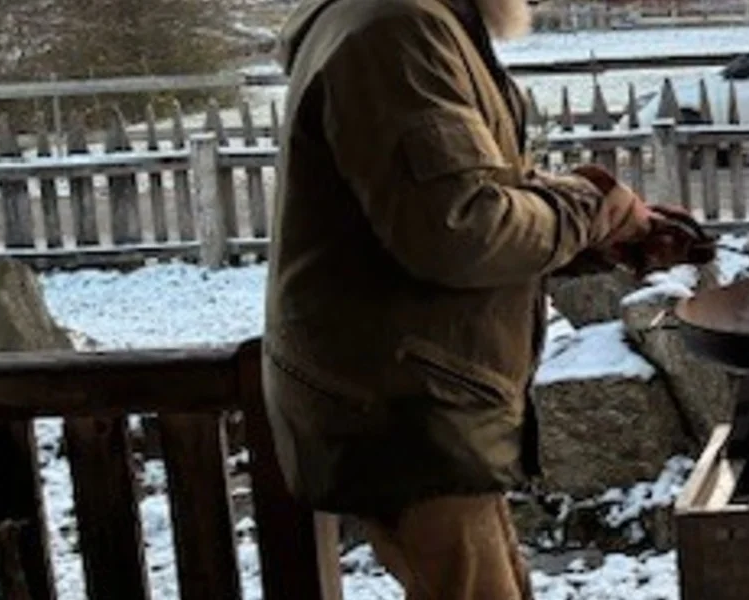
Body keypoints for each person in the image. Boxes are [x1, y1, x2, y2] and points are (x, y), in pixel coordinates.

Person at [264, 0, 703, 597]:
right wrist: (588, 207)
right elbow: (461, 231)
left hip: (424, 400)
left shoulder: (413, 20)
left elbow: (456, 203)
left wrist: (597, 234)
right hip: (404, 412)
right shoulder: (397, 28)